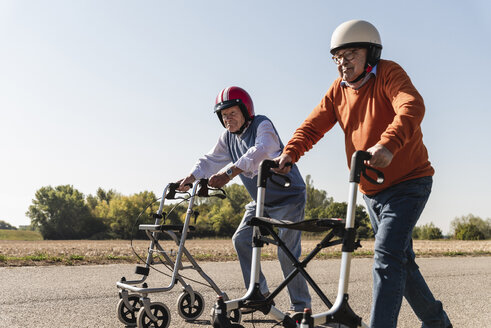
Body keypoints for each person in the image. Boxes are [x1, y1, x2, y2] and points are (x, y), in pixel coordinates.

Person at [274, 20, 452, 328]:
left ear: (370, 53)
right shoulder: (338, 91)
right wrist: (290, 152)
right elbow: (313, 126)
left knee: (386, 256)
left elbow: (411, 105)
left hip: (410, 182)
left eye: (351, 53)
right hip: (371, 191)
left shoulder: (388, 73)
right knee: (400, 262)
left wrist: (388, 144)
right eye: (337, 57)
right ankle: (437, 323)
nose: (343, 62)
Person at [177, 86, 311, 312]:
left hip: (288, 198)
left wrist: (229, 173)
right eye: (223, 115)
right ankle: (259, 293)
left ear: (245, 110)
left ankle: (300, 307)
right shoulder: (227, 138)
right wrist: (190, 177)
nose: (228, 119)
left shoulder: (262, 125)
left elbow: (260, 152)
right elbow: (209, 161)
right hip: (261, 201)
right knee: (241, 240)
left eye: (232, 113)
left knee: (286, 253)